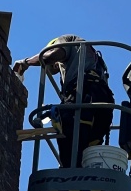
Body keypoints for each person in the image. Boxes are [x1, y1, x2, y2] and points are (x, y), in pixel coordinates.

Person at [14, 35, 115, 167]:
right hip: (103, 103)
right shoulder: (92, 58)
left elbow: (49, 56)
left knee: (67, 130)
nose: (53, 67)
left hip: (85, 94)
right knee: (87, 149)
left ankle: (68, 173)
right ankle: (80, 174)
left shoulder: (67, 41)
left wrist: (25, 62)